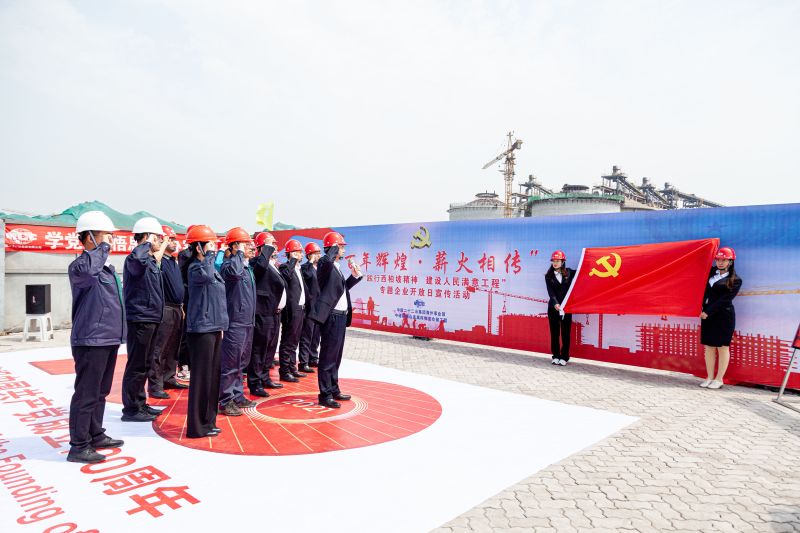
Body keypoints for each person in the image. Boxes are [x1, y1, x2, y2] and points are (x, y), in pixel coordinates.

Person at [66, 211, 126, 464]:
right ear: (89, 237)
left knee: (100, 392)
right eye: (105, 235)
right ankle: (79, 445)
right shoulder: (81, 266)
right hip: (91, 339)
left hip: (107, 338)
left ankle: (95, 433)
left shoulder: (105, 267)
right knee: (86, 393)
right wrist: (101, 248)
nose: (110, 241)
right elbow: (89, 272)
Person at [308, 232, 363, 408]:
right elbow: (325, 260)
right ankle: (325, 394)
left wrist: (354, 276)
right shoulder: (325, 264)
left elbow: (340, 289)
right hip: (331, 316)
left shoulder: (337, 267)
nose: (344, 249)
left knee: (336, 356)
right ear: (333, 248)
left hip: (340, 316)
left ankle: (333, 388)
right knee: (328, 356)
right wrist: (333, 248)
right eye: (341, 246)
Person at [184, 224, 228, 437]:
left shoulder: (208, 267)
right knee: (201, 379)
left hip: (214, 327)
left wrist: (221, 325)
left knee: (212, 377)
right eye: (209, 245)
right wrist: (210, 256)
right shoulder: (195, 268)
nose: (213, 248)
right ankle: (196, 426)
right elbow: (207, 276)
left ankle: (209, 421)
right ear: (198, 248)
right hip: (201, 329)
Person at [122, 217, 167, 422]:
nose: (160, 241)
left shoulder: (149, 261)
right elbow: (137, 262)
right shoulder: (135, 259)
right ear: (148, 237)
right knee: (137, 365)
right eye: (158, 237)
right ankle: (132, 409)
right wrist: (147, 242)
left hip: (151, 318)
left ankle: (140, 403)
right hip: (140, 318)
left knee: (145, 364)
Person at [219, 227, 257, 417]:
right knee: (230, 363)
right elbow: (234, 272)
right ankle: (226, 401)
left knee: (241, 362)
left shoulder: (246, 267)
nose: (250, 247)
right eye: (245, 244)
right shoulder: (229, 266)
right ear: (235, 246)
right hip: (235, 322)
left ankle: (237, 395)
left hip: (247, 322)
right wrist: (238, 254)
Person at [147, 225, 188, 400]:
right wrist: (162, 244)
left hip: (177, 308)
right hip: (165, 308)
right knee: (160, 349)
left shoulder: (172, 261)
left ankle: (169, 377)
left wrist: (182, 306)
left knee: (173, 347)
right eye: (169, 239)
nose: (173, 242)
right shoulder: (158, 260)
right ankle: (155, 385)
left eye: (174, 239)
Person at [247, 232, 285, 396]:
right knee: (259, 349)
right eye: (271, 244)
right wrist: (266, 247)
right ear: (263, 247)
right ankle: (255, 383)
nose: (275, 247)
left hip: (274, 313)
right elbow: (259, 269)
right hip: (262, 313)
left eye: (274, 244)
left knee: (270, 348)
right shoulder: (257, 262)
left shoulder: (273, 264)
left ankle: (264, 377)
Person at [699, 247, 742, 389]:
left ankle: (719, 379)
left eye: (724, 260)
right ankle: (709, 377)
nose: (720, 262)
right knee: (709, 347)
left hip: (724, 317)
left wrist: (708, 312)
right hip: (706, 315)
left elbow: (725, 300)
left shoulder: (735, 280)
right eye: (718, 259)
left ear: (731, 261)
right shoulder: (709, 273)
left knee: (723, 347)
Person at [278, 239, 310, 381]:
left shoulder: (299, 269)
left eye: (300, 252)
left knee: (295, 341)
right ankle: (284, 371)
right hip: (292, 310)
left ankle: (292, 367)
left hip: (301, 309)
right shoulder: (285, 267)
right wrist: (292, 260)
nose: (300, 255)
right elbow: (286, 276)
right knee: (288, 341)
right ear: (290, 253)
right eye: (297, 252)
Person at [545, 250, 575, 366]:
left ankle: (565, 356)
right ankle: (556, 355)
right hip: (553, 308)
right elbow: (551, 292)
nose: (555, 263)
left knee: (566, 334)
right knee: (554, 333)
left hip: (567, 308)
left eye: (557, 261)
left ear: (563, 262)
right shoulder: (548, 276)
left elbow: (583, 273)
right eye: (553, 261)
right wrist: (555, 303)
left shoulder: (570, 273)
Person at [299, 242, 322, 369]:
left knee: (316, 335)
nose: (319, 256)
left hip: (319, 307)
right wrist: (310, 261)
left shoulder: (319, 268)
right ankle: (304, 362)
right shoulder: (305, 268)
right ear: (309, 255)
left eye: (319, 253)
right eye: (316, 253)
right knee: (307, 335)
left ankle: (313, 357)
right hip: (309, 307)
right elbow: (307, 276)